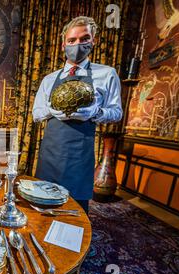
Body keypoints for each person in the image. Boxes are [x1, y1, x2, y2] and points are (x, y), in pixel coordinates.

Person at [32, 16, 122, 213]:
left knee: (75, 211)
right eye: (72, 40)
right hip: (51, 153)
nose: (77, 44)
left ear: (93, 41)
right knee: (43, 207)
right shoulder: (49, 79)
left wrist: (95, 112)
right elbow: (36, 114)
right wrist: (51, 110)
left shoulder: (106, 74)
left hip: (79, 155)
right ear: (64, 43)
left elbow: (116, 113)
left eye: (84, 39)